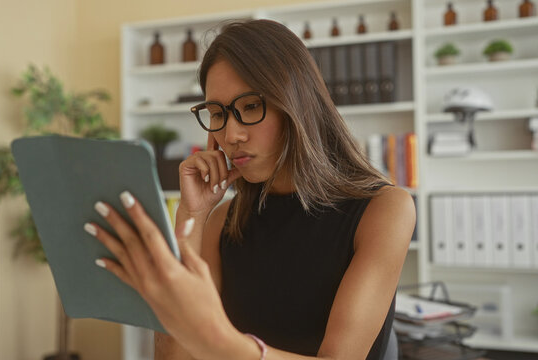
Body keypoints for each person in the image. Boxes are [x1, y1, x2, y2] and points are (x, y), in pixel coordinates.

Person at [85, 19, 415, 360]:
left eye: (251, 107)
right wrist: (192, 216)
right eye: (218, 113)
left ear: (296, 105)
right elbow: (173, 358)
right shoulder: (220, 223)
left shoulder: (384, 209)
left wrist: (219, 341)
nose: (231, 135)